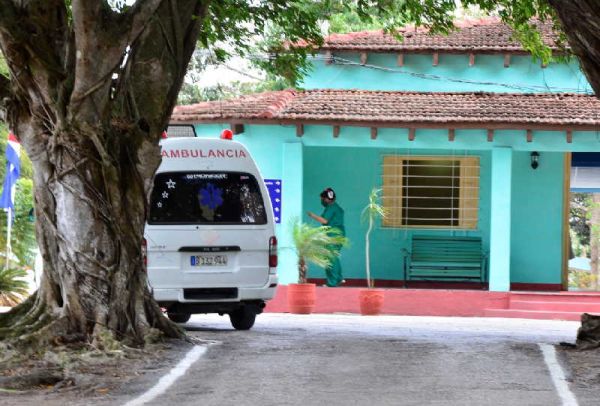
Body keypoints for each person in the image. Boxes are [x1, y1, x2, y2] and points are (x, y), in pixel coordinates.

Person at [307, 188, 346, 287]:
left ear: (326, 199)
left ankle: (333, 282)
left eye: (322, 199)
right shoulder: (336, 207)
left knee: (331, 258)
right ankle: (339, 278)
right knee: (333, 257)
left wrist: (312, 215)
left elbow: (324, 221)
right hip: (337, 235)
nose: (321, 201)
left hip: (333, 236)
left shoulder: (331, 208)